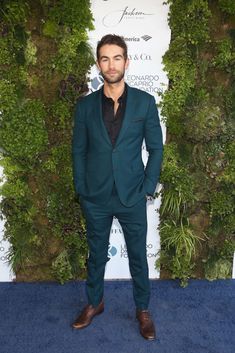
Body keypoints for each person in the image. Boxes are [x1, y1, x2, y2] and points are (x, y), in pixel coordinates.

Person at [71, 34, 163, 340]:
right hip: (95, 196)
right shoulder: (84, 107)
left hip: (132, 194)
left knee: (138, 254)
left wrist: (148, 186)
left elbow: (156, 148)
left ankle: (143, 309)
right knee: (96, 254)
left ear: (127, 61)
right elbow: (78, 151)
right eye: (105, 58)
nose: (111, 65)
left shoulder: (145, 102)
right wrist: (82, 189)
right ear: (98, 64)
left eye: (117, 58)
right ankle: (95, 302)